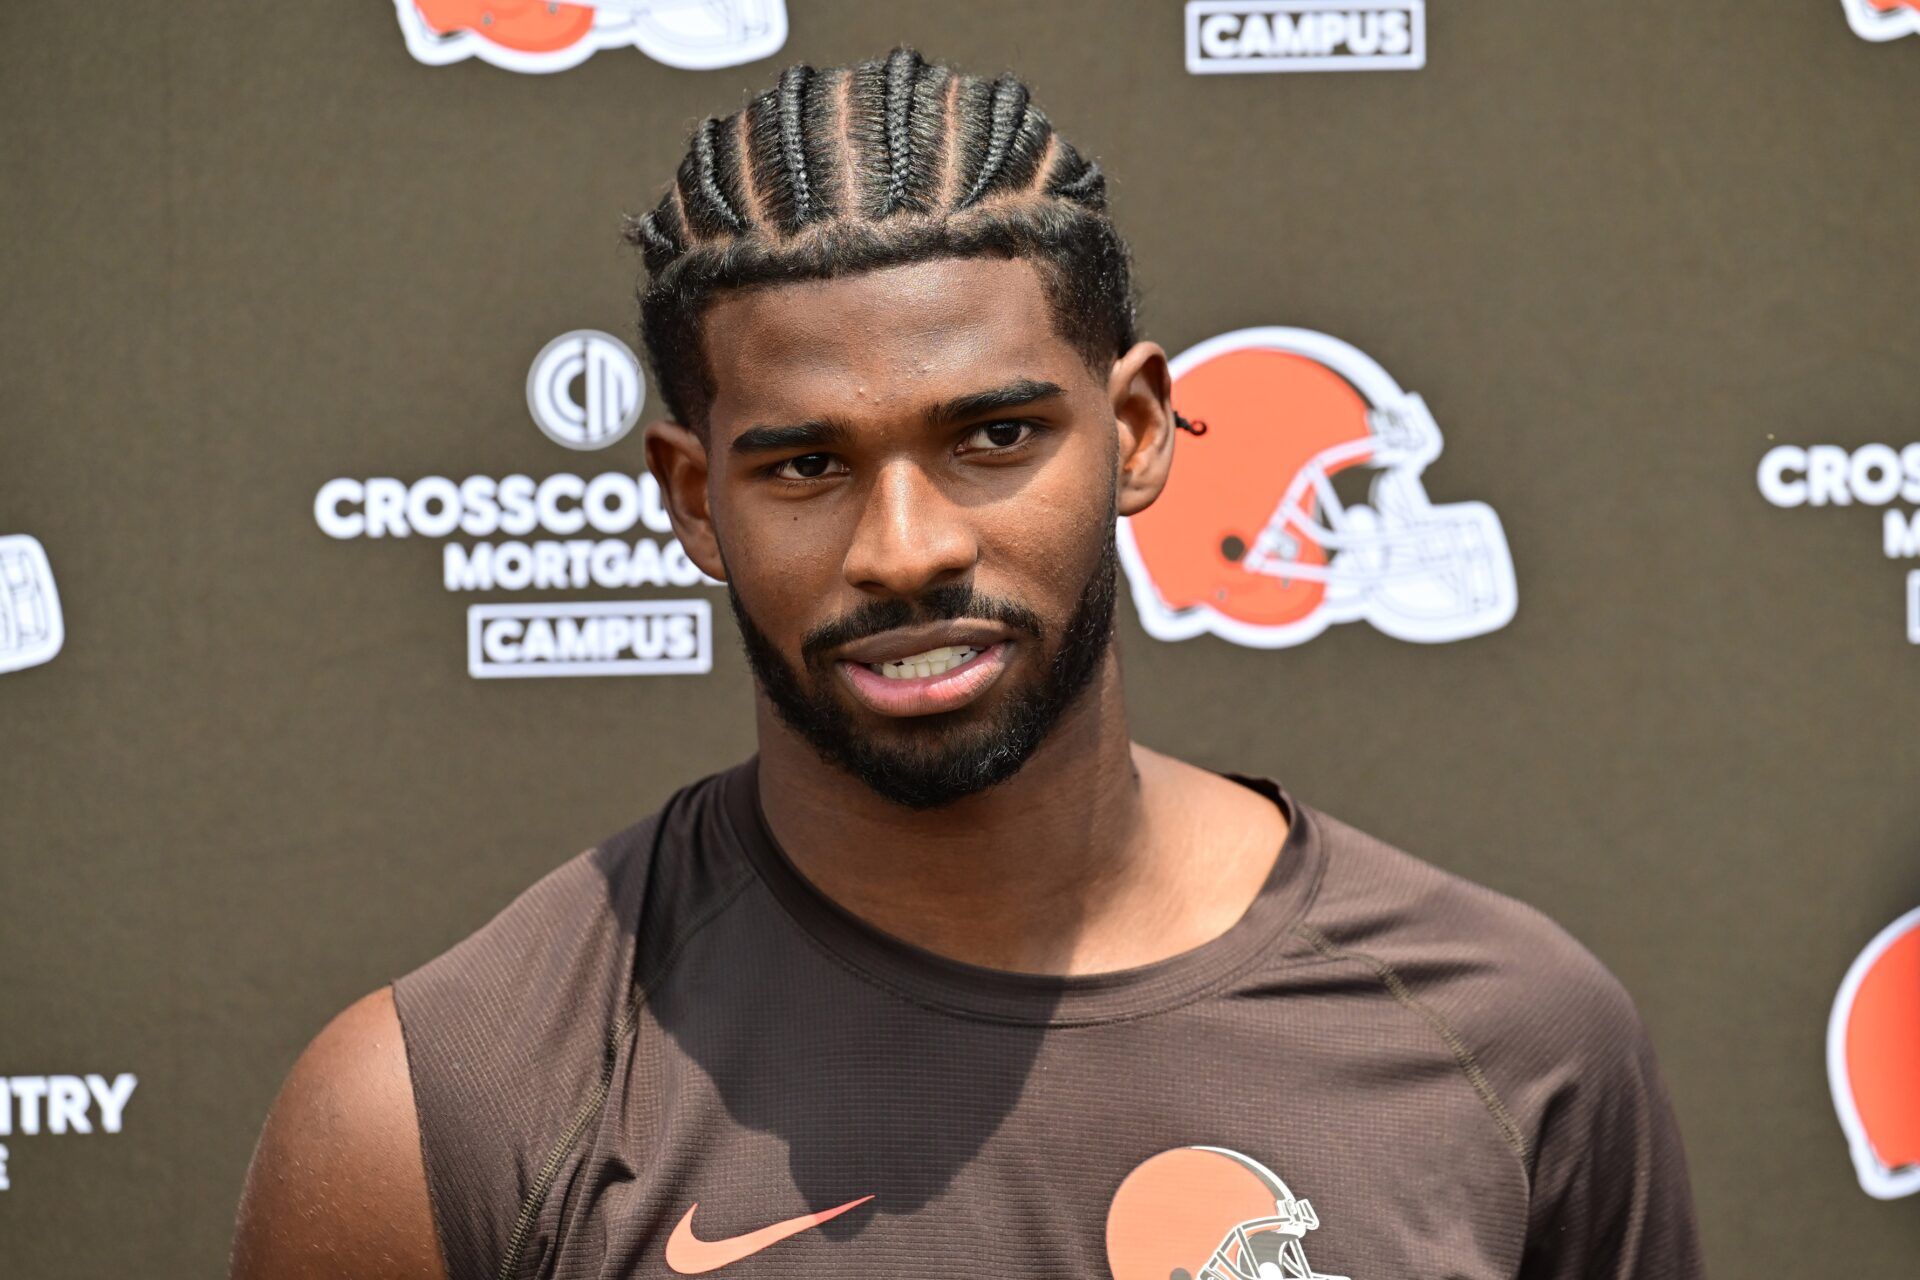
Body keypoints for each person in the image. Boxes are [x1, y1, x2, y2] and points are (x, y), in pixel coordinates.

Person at [228, 47, 1704, 1280]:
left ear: (1133, 433)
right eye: (807, 464)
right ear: (692, 500)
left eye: (994, 437)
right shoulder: (440, 1115)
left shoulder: (1513, 1044)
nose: (907, 547)